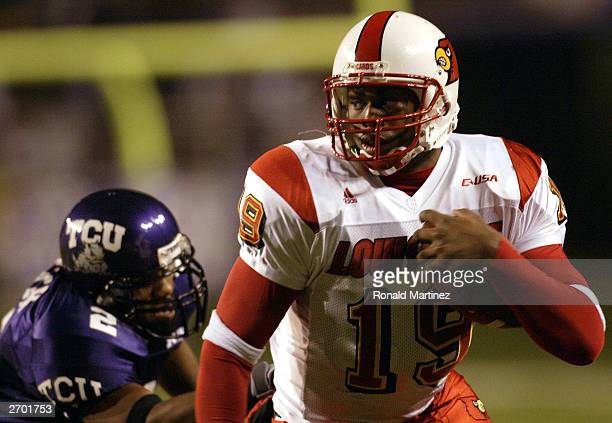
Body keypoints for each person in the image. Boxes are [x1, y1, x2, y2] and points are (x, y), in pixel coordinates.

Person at [195, 11, 606, 422]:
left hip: (431, 409)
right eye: (356, 99)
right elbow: (230, 349)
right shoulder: (298, 185)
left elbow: (584, 339)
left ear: (439, 102)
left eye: (387, 99)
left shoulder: (504, 177)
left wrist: (496, 254)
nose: (365, 118)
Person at [0, 189, 208, 422]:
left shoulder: (142, 292)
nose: (168, 288)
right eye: (149, 278)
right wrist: (237, 395)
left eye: (168, 271)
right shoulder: (70, 332)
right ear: (105, 284)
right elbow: (140, 417)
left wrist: (222, 399)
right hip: (21, 410)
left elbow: (170, 353)